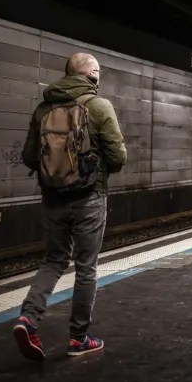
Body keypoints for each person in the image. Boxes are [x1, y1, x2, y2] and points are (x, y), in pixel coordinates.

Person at [13, 53, 127, 360]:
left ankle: (28, 318)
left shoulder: (43, 109)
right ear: (91, 74)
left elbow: (28, 156)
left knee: (53, 261)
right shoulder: (99, 106)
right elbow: (118, 158)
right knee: (86, 268)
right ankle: (78, 339)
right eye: (98, 71)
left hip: (52, 198)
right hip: (90, 197)